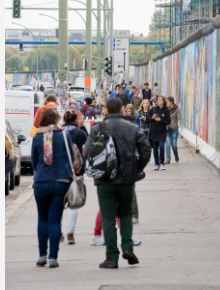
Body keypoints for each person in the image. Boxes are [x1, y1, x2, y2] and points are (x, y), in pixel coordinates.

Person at [84, 97, 151, 269]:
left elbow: (88, 152)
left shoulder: (98, 128)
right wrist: (137, 168)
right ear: (122, 110)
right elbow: (146, 149)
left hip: (104, 180)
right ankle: (128, 247)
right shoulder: (133, 127)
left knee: (108, 218)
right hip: (127, 179)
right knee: (126, 214)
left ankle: (111, 257)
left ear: (106, 110)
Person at [31, 107, 74, 268]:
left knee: (42, 219)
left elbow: (34, 162)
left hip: (41, 181)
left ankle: (42, 255)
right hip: (60, 181)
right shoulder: (64, 135)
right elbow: (71, 156)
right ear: (57, 120)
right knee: (55, 220)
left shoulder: (37, 137)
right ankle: (53, 258)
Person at [60, 109, 87, 245]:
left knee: (58, 203)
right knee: (74, 203)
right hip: (76, 172)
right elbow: (87, 144)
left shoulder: (58, 132)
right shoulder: (80, 133)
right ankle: (71, 232)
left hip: (60, 172)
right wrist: (82, 126)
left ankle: (58, 232)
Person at [148, 95, 171, 170]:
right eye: (158, 100)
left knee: (161, 147)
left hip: (162, 132)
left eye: (161, 100)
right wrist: (152, 118)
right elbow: (148, 119)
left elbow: (168, 121)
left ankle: (162, 163)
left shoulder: (166, 110)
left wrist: (160, 120)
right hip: (154, 131)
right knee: (155, 149)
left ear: (163, 101)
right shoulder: (153, 109)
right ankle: (156, 163)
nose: (159, 101)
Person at [165, 96, 182, 164]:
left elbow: (179, 118)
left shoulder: (176, 109)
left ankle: (176, 155)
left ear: (171, 102)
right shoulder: (165, 109)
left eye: (167, 102)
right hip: (166, 129)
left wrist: (180, 124)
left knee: (174, 144)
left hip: (174, 129)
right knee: (168, 144)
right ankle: (168, 158)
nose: (166, 103)